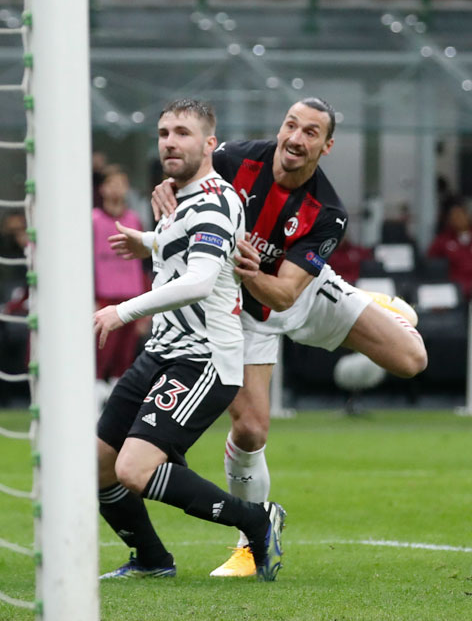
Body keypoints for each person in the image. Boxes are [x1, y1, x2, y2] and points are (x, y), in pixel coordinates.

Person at [129, 98, 426, 578]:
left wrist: (249, 270)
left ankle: (374, 307)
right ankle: (250, 545)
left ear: (325, 147)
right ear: (280, 127)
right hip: (243, 317)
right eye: (291, 125)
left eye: (311, 132)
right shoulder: (235, 159)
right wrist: (167, 187)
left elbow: (286, 294)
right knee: (250, 430)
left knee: (413, 359)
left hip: (296, 292)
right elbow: (186, 171)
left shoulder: (327, 211)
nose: (295, 137)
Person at [94, 98, 285, 582]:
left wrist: (122, 310)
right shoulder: (184, 200)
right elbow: (189, 243)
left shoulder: (217, 200)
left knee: (133, 471)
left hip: (203, 360)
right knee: (97, 464)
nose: (170, 142)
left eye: (182, 132)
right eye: (163, 133)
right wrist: (149, 241)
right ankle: (153, 561)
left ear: (209, 144)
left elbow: (201, 279)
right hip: (160, 352)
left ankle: (256, 521)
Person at [92, 165, 147, 383]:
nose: (117, 189)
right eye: (112, 184)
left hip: (131, 295)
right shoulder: (93, 220)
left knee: (125, 354)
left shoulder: (134, 220)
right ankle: (94, 393)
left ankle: (116, 393)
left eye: (121, 185)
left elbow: (143, 264)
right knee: (102, 351)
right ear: (103, 189)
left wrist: (145, 305)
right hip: (104, 295)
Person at [427, 199, 472, 298]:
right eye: (454, 216)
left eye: (460, 215)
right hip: (457, 287)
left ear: (467, 216)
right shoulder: (444, 239)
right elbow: (429, 259)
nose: (458, 219)